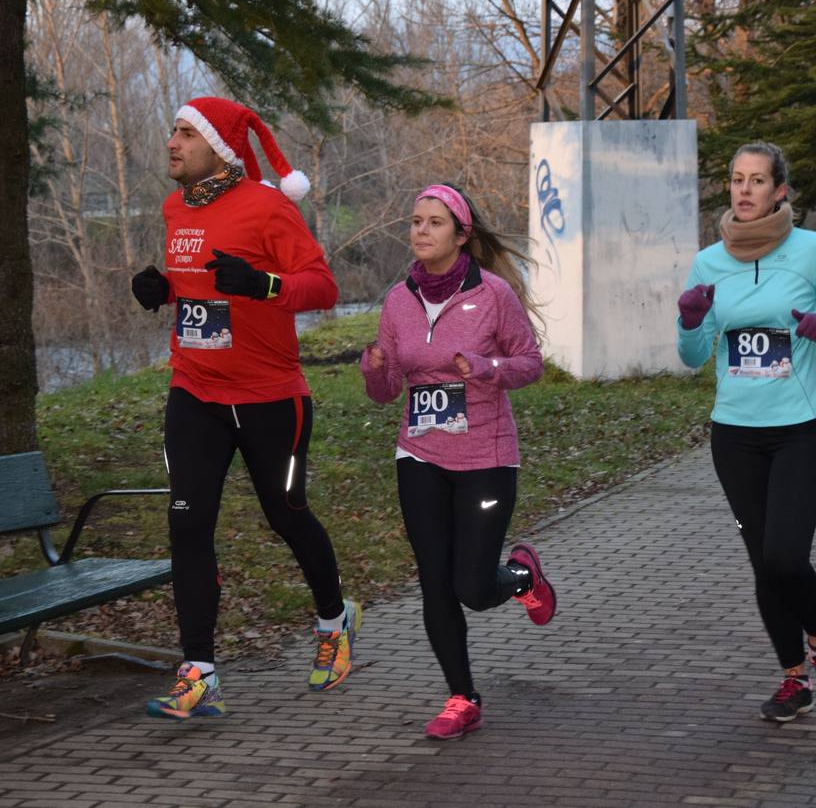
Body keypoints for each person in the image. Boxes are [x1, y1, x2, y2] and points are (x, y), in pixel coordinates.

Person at [130, 96, 360, 720]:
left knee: (286, 515)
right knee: (187, 524)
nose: (172, 142)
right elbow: (200, 287)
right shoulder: (176, 207)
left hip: (269, 398)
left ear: (220, 147)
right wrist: (163, 290)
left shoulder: (269, 206)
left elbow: (324, 287)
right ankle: (199, 673)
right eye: (173, 131)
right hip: (194, 391)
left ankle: (334, 620)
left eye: (186, 133)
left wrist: (265, 284)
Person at [675, 142, 816, 723]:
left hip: (801, 429)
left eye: (757, 180)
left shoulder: (811, 250)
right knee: (763, 564)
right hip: (735, 435)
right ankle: (794, 680)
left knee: (786, 557)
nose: (744, 190)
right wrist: (689, 320)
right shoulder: (709, 262)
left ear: (779, 190)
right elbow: (692, 355)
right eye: (737, 179)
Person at [360, 183, 555, 740]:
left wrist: (489, 367)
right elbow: (387, 390)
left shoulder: (493, 294)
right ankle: (462, 697)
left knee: (472, 586)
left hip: (485, 458)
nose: (420, 230)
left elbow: (531, 362)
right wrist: (375, 370)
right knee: (435, 582)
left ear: (461, 234)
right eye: (415, 221)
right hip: (419, 454)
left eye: (434, 222)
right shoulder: (399, 300)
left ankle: (522, 575)